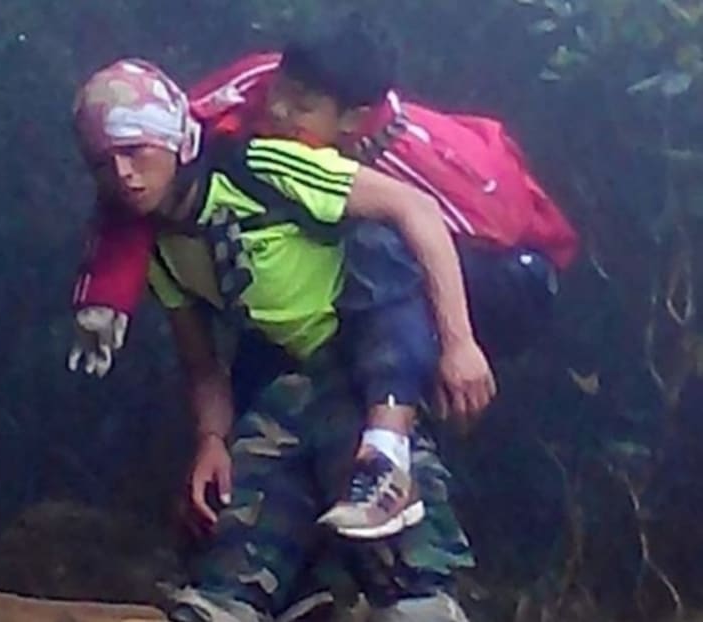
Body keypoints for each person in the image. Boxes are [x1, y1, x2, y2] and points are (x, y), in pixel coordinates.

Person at [68, 15, 578, 540]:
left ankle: (387, 453)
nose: (280, 112)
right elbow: (153, 156)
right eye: (280, 94)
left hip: (504, 277)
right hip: (338, 326)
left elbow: (441, 222)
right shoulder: (245, 110)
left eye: (302, 106)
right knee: (267, 406)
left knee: (380, 242)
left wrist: (459, 344)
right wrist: (106, 291)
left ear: (355, 120)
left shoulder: (411, 159)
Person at [72, 50, 492, 621]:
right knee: (226, 576)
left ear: (174, 140)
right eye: (104, 162)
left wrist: (459, 343)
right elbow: (201, 363)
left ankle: (389, 452)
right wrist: (211, 442)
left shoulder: (262, 167)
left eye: (135, 151)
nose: (123, 173)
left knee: (408, 579)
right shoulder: (160, 249)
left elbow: (414, 209)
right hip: (280, 391)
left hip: (365, 373)